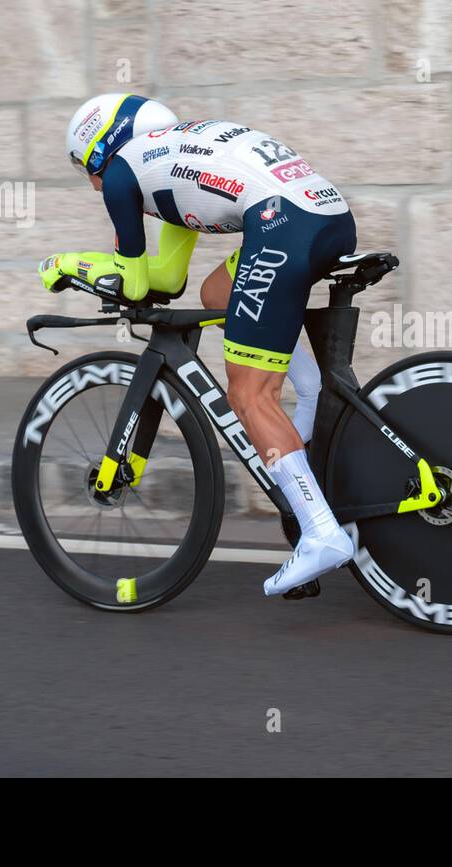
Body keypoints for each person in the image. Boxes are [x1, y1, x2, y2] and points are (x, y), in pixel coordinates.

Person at [39, 92, 358, 596]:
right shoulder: (168, 159)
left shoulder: (123, 173)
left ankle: (321, 535)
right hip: (327, 219)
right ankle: (311, 401)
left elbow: (136, 285)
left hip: (284, 226)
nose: (94, 183)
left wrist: (64, 266)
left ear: (100, 150)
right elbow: (168, 277)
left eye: (87, 169)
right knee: (217, 294)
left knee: (249, 395)